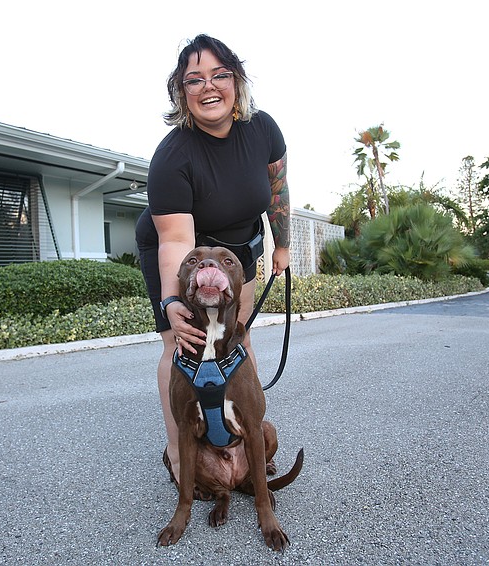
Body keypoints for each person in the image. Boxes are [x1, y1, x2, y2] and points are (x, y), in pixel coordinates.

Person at [135, 34, 291, 483]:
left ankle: (247, 439)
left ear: (236, 81)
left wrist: (280, 244)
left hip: (237, 248)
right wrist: (172, 303)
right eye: (194, 79)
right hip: (181, 251)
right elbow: (175, 241)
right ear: (181, 92)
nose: (209, 86)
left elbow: (276, 190)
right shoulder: (172, 156)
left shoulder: (262, 129)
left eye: (220, 74)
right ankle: (179, 452)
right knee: (179, 343)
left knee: (238, 338)